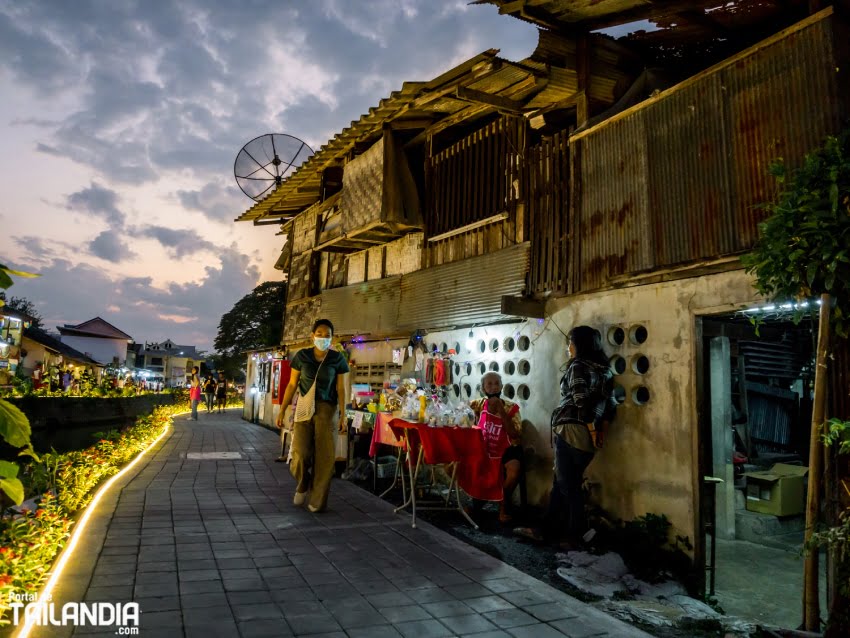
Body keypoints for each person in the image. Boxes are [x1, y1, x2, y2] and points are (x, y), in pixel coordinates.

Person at [515, 326, 615, 548]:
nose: (567, 347)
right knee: (562, 483)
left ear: (579, 345)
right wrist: (599, 432)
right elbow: (610, 407)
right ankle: (545, 530)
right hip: (590, 437)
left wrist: (589, 429)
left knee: (567, 485)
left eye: (570, 342)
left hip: (571, 430)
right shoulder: (606, 371)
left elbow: (581, 402)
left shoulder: (578, 366)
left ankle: (576, 534)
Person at [276, 319, 349, 513]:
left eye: (327, 335)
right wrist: (282, 410)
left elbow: (341, 388)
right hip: (303, 408)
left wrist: (343, 414)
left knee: (325, 457)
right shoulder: (302, 356)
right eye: (320, 333)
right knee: (299, 453)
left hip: (327, 409)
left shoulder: (337, 358)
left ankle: (317, 500)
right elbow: (292, 384)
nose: (323, 338)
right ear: (312, 336)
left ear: (332, 338)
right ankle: (303, 481)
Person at [470, 371, 524, 524]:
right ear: (483, 388)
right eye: (489, 384)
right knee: (469, 463)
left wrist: (501, 410)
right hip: (484, 448)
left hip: (507, 448)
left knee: (514, 470)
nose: (493, 387)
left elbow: (514, 434)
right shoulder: (476, 404)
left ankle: (503, 505)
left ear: (502, 386)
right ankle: (478, 504)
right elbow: (469, 423)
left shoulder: (511, 407)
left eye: (496, 384)